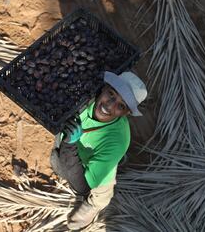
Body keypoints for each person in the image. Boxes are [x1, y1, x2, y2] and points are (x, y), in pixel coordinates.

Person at [50, 70, 147, 230]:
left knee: (102, 194)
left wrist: (68, 146)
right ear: (104, 87)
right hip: (72, 148)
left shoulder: (117, 141)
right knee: (59, 161)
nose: (109, 105)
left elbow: (83, 187)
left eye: (120, 106)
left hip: (89, 160)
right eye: (111, 94)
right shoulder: (83, 97)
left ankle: (92, 207)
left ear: (126, 113)